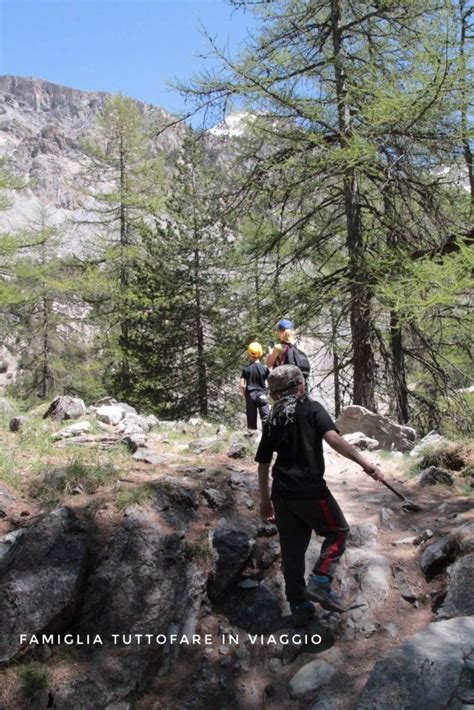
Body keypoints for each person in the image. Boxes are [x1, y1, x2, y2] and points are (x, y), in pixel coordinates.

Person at [255, 365, 385, 626]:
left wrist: (265, 499)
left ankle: (299, 607)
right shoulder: (311, 408)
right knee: (338, 531)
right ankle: (320, 581)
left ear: (275, 394)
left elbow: (263, 464)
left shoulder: (272, 419)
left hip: (282, 495)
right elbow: (334, 440)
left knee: (292, 552)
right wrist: (365, 464)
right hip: (311, 491)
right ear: (300, 385)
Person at [239, 341, 270, 432]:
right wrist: (267, 392)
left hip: (250, 395)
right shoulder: (265, 368)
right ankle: (267, 438)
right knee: (265, 418)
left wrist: (244, 395)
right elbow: (269, 383)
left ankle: (251, 440)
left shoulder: (246, 369)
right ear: (260, 354)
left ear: (249, 354)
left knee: (251, 420)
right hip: (262, 394)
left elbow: (241, 385)